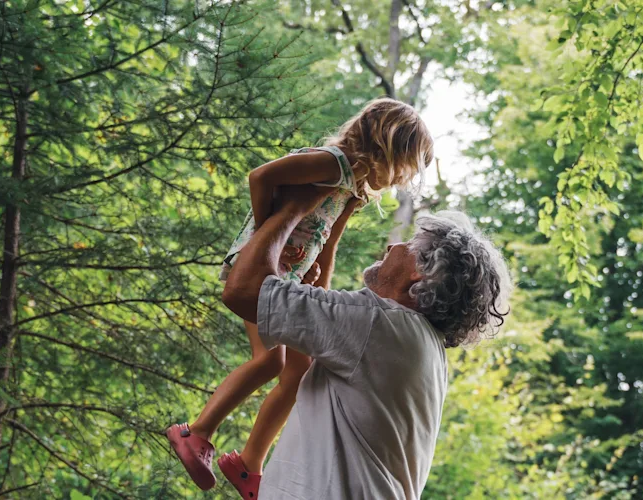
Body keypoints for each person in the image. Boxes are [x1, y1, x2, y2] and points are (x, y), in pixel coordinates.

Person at [168, 98, 434, 498]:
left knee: (300, 370)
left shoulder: (352, 189)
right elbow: (261, 178)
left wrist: (318, 293)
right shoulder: (331, 163)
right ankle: (196, 433)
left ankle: (249, 465)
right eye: (403, 168)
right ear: (386, 145)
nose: (400, 180)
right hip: (258, 268)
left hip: (289, 278)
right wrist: (264, 239)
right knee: (270, 361)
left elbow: (327, 246)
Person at [214, 202, 510, 499]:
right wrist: (333, 227)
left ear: (422, 272)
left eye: (408, 244)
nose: (394, 245)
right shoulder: (417, 343)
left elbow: (243, 291)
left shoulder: (379, 323)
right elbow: (315, 340)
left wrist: (294, 205)